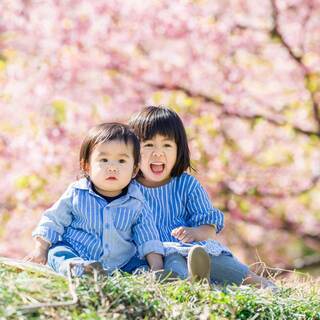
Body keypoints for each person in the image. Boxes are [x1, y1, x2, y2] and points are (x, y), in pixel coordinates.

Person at [129, 106, 276, 288]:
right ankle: (196, 286)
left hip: (193, 249)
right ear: (133, 151)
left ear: (178, 150)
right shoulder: (129, 189)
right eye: (148, 145)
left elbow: (210, 226)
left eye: (167, 145)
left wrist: (195, 232)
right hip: (156, 257)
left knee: (227, 266)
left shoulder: (186, 184)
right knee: (176, 267)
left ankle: (262, 284)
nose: (158, 153)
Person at [25, 123, 164, 277]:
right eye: (104, 160)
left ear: (134, 170)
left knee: (139, 265)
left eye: (122, 161)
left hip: (120, 262)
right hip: (77, 251)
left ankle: (150, 275)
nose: (112, 167)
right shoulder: (76, 193)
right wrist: (40, 249)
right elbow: (53, 220)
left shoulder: (137, 203)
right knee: (57, 252)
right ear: (87, 166)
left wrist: (157, 266)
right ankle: (80, 270)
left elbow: (148, 237)